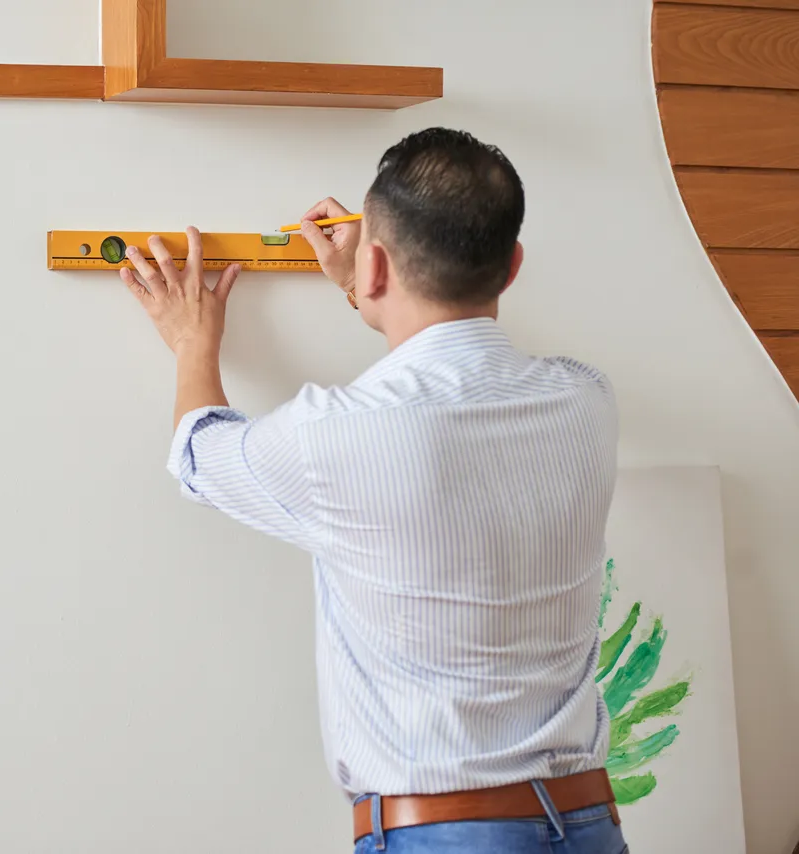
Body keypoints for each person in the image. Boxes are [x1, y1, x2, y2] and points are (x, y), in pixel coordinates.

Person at [118, 127, 627, 854]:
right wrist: (372, 284)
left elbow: (199, 454)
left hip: (446, 838)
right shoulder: (587, 402)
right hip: (586, 826)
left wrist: (192, 341)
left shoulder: (335, 436)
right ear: (512, 267)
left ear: (376, 263)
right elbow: (436, 401)